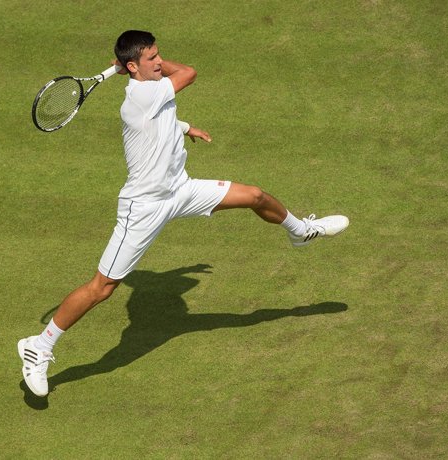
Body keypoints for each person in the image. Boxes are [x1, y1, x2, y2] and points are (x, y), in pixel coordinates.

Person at [18, 30, 349, 397]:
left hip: (180, 189)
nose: (160, 62)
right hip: (144, 208)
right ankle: (40, 345)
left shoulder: (149, 89)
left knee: (254, 195)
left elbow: (160, 121)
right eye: (152, 58)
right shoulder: (143, 93)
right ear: (132, 66)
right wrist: (146, 71)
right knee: (103, 288)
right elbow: (189, 72)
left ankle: (299, 230)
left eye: (159, 55)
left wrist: (184, 127)